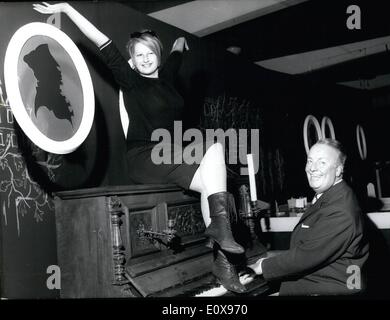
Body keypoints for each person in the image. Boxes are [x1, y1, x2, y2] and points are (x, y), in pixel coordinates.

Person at [33, 2, 246, 293]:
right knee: (212, 155)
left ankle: (223, 261)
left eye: (150, 53)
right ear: (132, 59)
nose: (145, 59)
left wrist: (181, 43)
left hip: (170, 155)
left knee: (214, 166)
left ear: (157, 55)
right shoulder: (131, 81)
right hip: (144, 157)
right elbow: (100, 40)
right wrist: (68, 9)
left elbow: (176, 52)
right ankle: (222, 236)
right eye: (139, 55)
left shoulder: (168, 76)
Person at [248, 139, 369, 295]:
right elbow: (311, 247)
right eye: (310, 161)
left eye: (322, 163)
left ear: (338, 170)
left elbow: (307, 256)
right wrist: (266, 259)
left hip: (332, 289)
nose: (312, 168)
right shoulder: (331, 195)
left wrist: (261, 266)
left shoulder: (340, 210)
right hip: (320, 284)